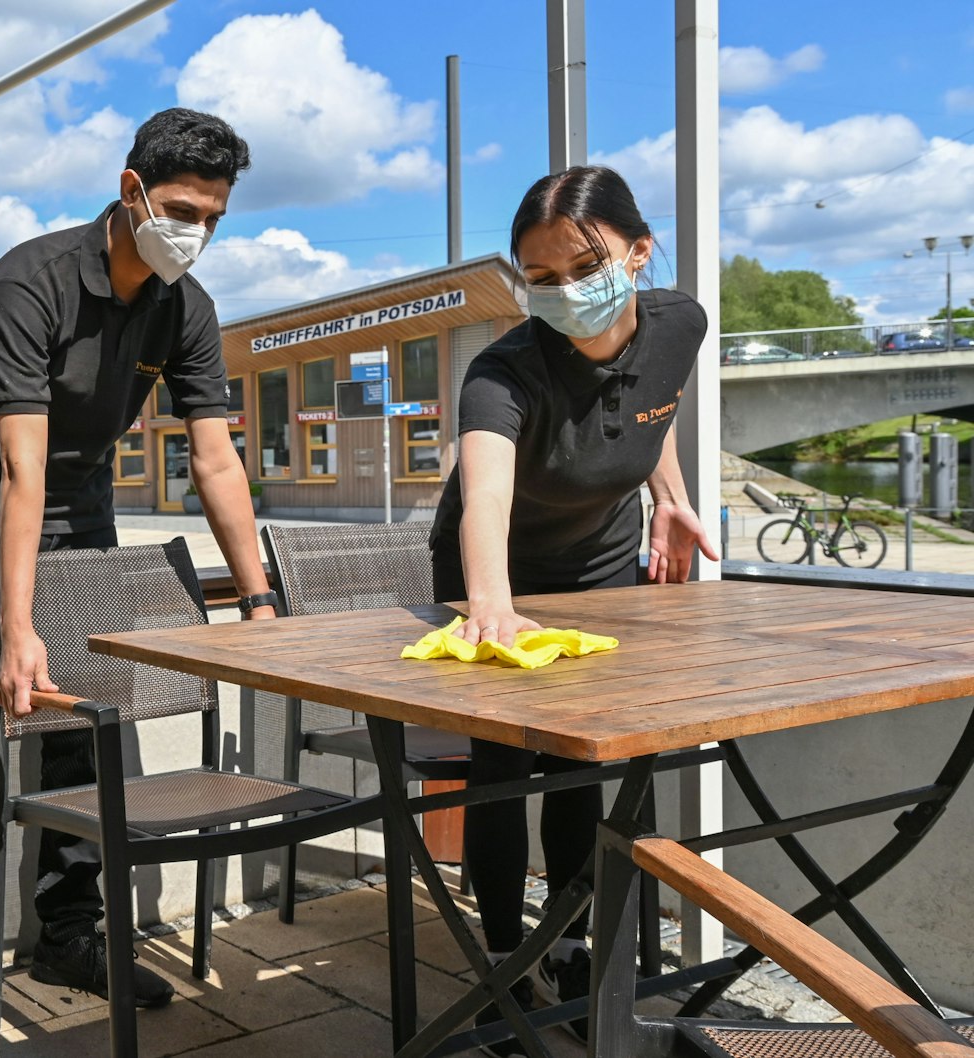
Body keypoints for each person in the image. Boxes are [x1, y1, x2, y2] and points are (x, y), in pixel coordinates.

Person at [0, 108, 279, 1008]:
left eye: (213, 219)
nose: (196, 234)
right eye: (183, 211)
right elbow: (22, 468)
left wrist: (261, 602)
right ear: (132, 191)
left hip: (87, 541)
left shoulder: (185, 309)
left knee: (85, 750)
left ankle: (68, 940)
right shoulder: (28, 286)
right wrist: (18, 628)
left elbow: (215, 460)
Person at [428, 165, 718, 1056]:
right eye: (541, 277)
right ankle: (503, 967)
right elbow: (484, 497)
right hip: (495, 570)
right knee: (503, 763)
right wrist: (490, 609)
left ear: (639, 251)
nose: (565, 290)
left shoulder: (681, 322)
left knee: (583, 759)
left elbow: (647, 411)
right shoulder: (502, 372)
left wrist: (669, 497)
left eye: (585, 267)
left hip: (599, 564)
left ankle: (573, 946)